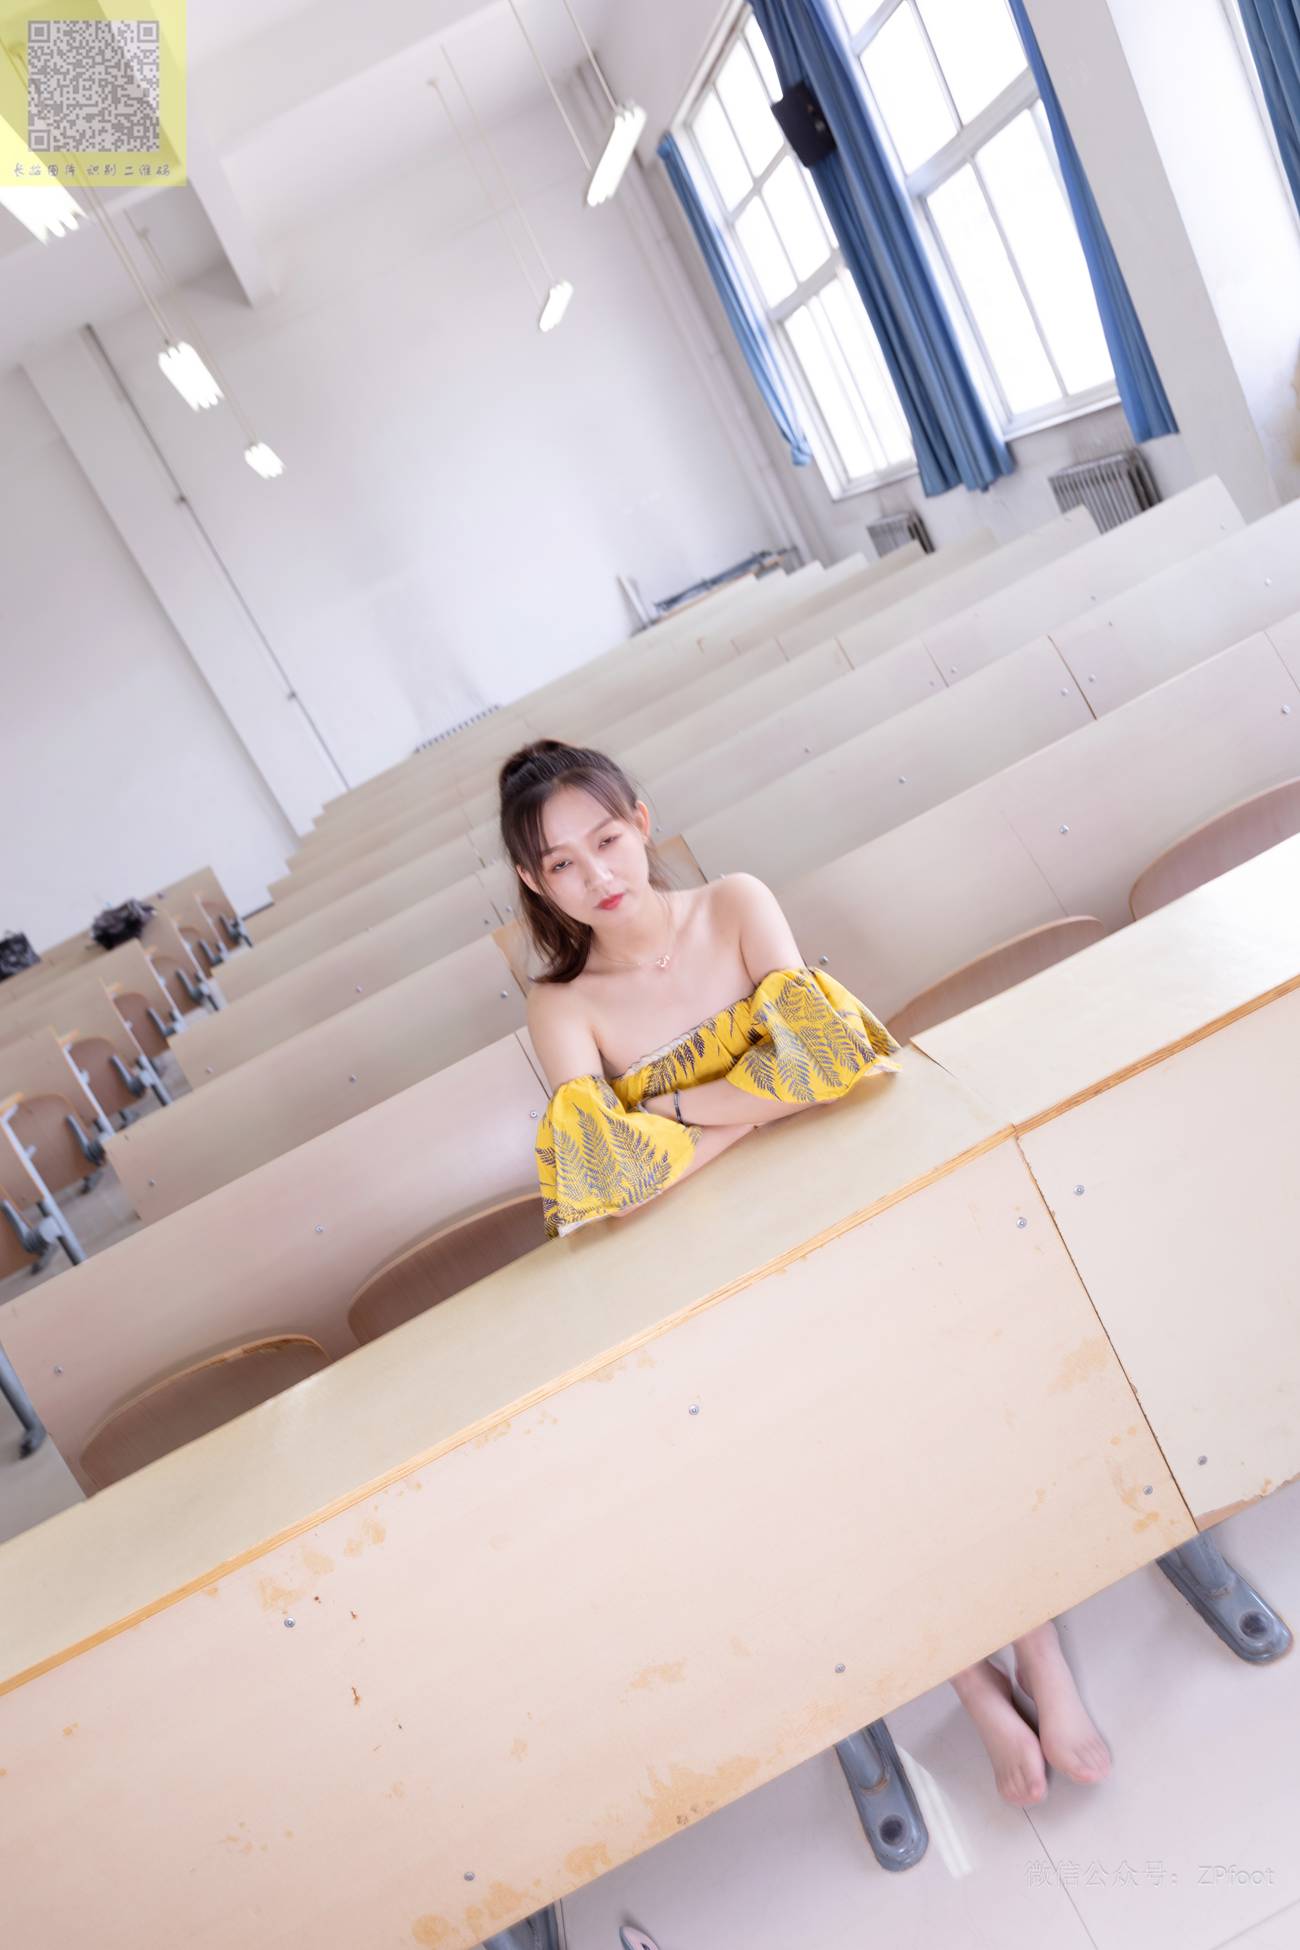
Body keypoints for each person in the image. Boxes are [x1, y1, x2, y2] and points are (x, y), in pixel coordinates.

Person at [498, 737, 1110, 1806]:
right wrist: (761, 1097)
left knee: (947, 1416)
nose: (597, 875)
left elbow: (831, 1061)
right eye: (562, 864)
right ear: (533, 882)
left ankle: (1037, 1649)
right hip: (715, 1267)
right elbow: (613, 1186)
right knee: (837, 1471)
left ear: (641, 822)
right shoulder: (562, 1003)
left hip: (850, 1199)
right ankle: (966, 1677)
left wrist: (671, 1110)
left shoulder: (733, 904)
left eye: (605, 840)